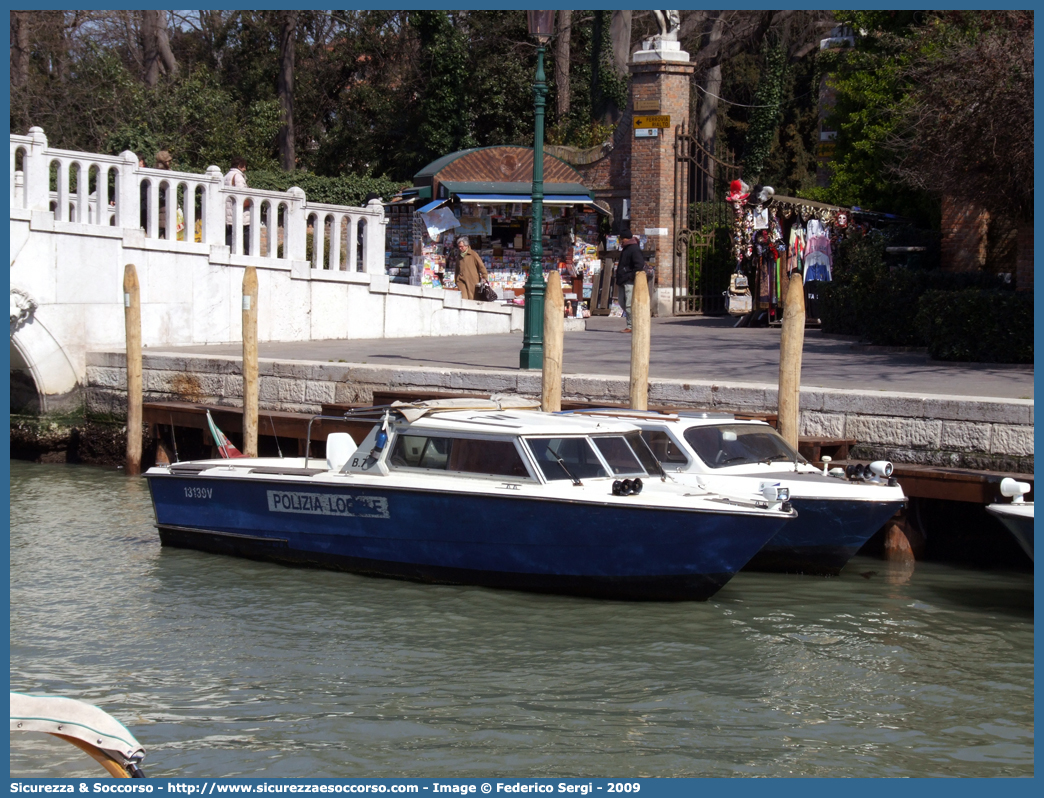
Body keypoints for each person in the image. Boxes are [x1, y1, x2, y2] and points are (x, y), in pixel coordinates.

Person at [614, 229, 646, 333]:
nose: (621, 241)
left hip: (628, 281)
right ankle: (632, 324)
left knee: (628, 304)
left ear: (625, 239)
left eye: (622, 239)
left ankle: (631, 325)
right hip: (623, 280)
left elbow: (639, 265)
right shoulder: (626, 248)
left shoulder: (634, 249)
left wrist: (630, 276)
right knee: (622, 302)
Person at [224, 156, 251, 255]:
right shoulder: (238, 176)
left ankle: (228, 254)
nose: (245, 169)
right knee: (246, 234)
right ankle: (248, 255)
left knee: (230, 235)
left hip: (229, 212)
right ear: (240, 166)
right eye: (244, 166)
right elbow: (241, 196)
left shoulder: (225, 176)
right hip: (241, 213)